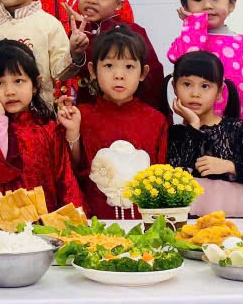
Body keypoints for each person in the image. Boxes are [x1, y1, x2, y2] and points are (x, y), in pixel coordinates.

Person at [60, 27, 168, 220]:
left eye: (129, 66)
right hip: (94, 222)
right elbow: (73, 170)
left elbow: (162, 179)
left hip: (145, 223)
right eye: (109, 65)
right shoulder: (81, 115)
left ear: (143, 72)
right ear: (93, 70)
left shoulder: (156, 120)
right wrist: (73, 132)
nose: (119, 75)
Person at [166, 51, 243, 218]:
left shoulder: (236, 128)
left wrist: (230, 166)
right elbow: (177, 175)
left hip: (235, 211)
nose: (195, 93)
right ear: (174, 87)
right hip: (189, 212)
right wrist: (193, 125)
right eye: (187, 84)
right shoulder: (175, 133)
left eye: (205, 86)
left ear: (219, 91)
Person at [0, 40, 83, 211]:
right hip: (7, 221)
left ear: (35, 84)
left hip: (47, 220)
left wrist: (73, 218)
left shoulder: (49, 128)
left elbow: (66, 178)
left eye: (18, 81)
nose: (10, 91)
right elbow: (0, 171)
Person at [63, 0, 167, 116]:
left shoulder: (133, 32)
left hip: (129, 113)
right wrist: (78, 40)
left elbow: (154, 76)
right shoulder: (79, 31)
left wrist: (156, 116)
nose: (91, 0)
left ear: (119, 4)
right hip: (90, 113)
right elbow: (73, 72)